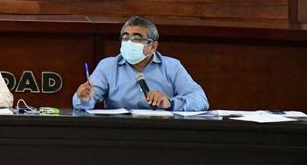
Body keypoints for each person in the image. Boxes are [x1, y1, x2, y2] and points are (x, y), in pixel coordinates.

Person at [73, 15, 208, 111]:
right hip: (119, 133)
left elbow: (200, 100)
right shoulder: (108, 66)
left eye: (136, 38)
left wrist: (170, 103)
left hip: (162, 132)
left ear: (153, 46)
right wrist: (83, 98)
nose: (129, 43)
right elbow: (84, 104)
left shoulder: (172, 67)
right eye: (125, 38)